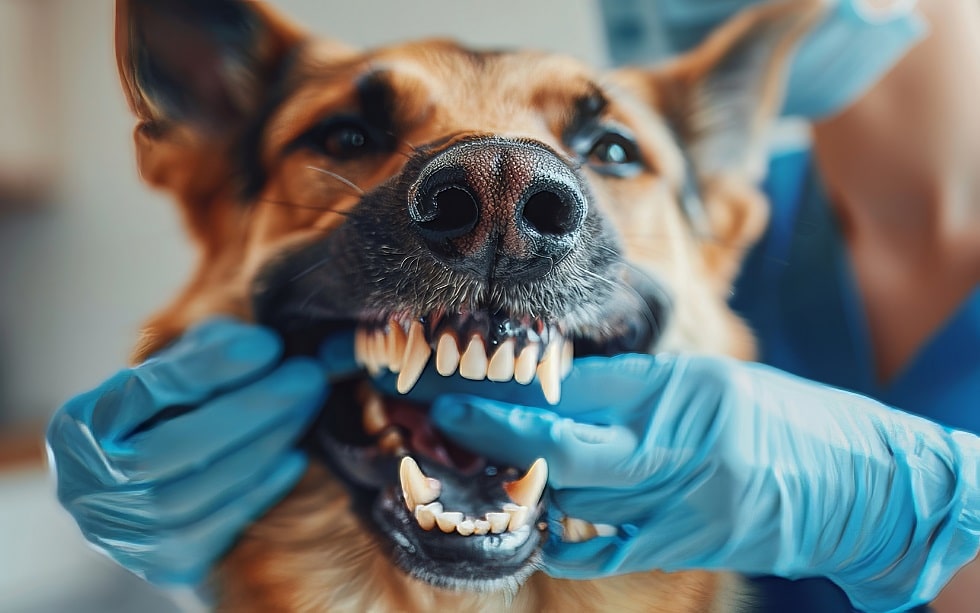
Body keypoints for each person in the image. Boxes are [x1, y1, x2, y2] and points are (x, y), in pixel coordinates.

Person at [46, 1, 979, 612]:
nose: (512, 190)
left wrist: (912, 509)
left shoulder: (711, 235)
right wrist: (204, 565)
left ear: (720, 207)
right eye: (349, 133)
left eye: (611, 152)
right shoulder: (765, 238)